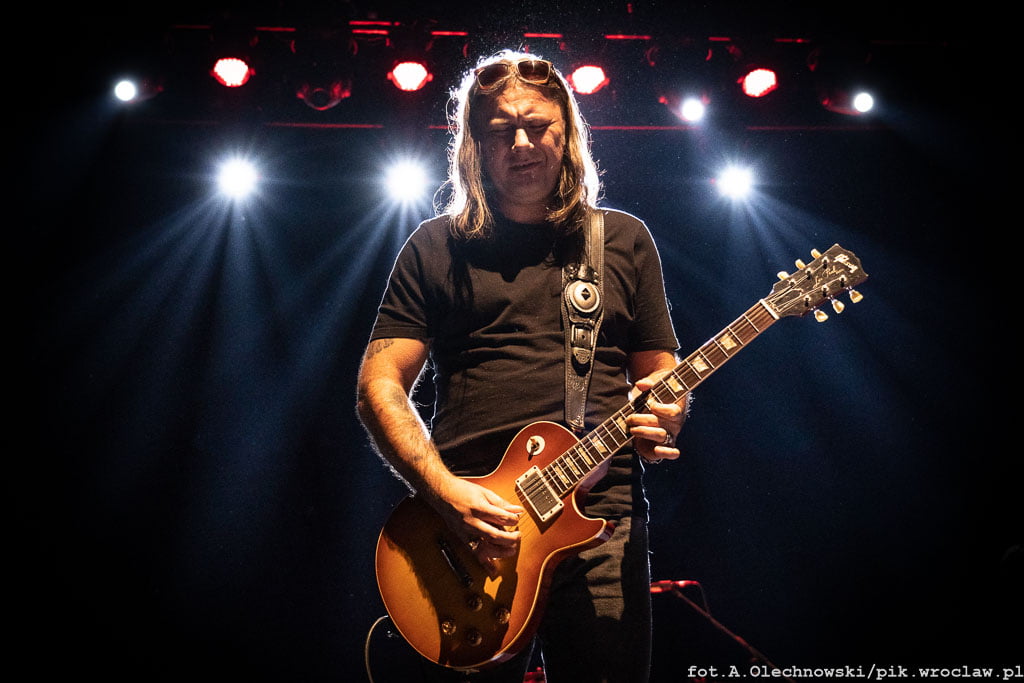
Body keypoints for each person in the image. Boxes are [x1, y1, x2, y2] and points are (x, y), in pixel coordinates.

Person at [356, 50, 688, 682]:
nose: (522, 144)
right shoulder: (435, 247)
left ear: (567, 130)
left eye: (537, 125)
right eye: (500, 131)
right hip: (468, 530)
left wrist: (666, 416)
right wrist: (443, 493)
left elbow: (661, 379)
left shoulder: (622, 240)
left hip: (601, 521)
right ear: (474, 146)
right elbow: (379, 384)